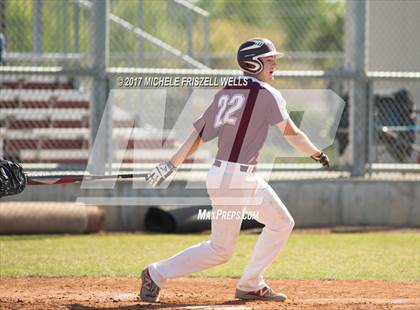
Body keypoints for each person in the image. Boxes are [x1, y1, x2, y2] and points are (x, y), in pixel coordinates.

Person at [140, 38, 329, 303]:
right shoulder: (267, 93)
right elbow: (292, 134)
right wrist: (316, 153)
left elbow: (198, 136)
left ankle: (249, 283)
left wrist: (171, 163)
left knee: (276, 225)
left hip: (229, 176)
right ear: (253, 63)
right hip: (235, 179)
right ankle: (157, 273)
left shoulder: (228, 90)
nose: (274, 63)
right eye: (269, 59)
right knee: (224, 248)